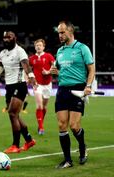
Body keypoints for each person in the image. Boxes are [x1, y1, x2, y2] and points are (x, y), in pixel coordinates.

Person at [50, 21, 94, 169]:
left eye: (62, 32)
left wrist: (88, 86)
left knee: (74, 126)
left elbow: (91, 69)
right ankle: (67, 160)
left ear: (70, 32)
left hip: (78, 89)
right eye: (59, 33)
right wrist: (54, 71)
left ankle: (82, 147)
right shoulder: (60, 51)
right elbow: (56, 68)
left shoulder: (82, 48)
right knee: (62, 125)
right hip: (62, 89)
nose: (60, 35)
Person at [0, 31, 36, 154]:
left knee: (12, 114)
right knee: (15, 115)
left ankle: (15, 145)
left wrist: (31, 76)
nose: (6, 39)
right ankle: (29, 140)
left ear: (14, 38)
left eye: (8, 37)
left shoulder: (20, 51)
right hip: (9, 87)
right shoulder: (3, 53)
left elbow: (26, 65)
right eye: (4, 38)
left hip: (19, 85)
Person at [29, 39, 55, 135]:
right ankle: (41, 127)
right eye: (36, 45)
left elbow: (54, 67)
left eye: (40, 45)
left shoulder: (49, 56)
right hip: (37, 84)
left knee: (44, 106)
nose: (38, 47)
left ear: (43, 47)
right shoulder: (32, 58)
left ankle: (40, 122)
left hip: (48, 84)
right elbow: (26, 69)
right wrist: (28, 77)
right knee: (39, 105)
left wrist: (48, 72)